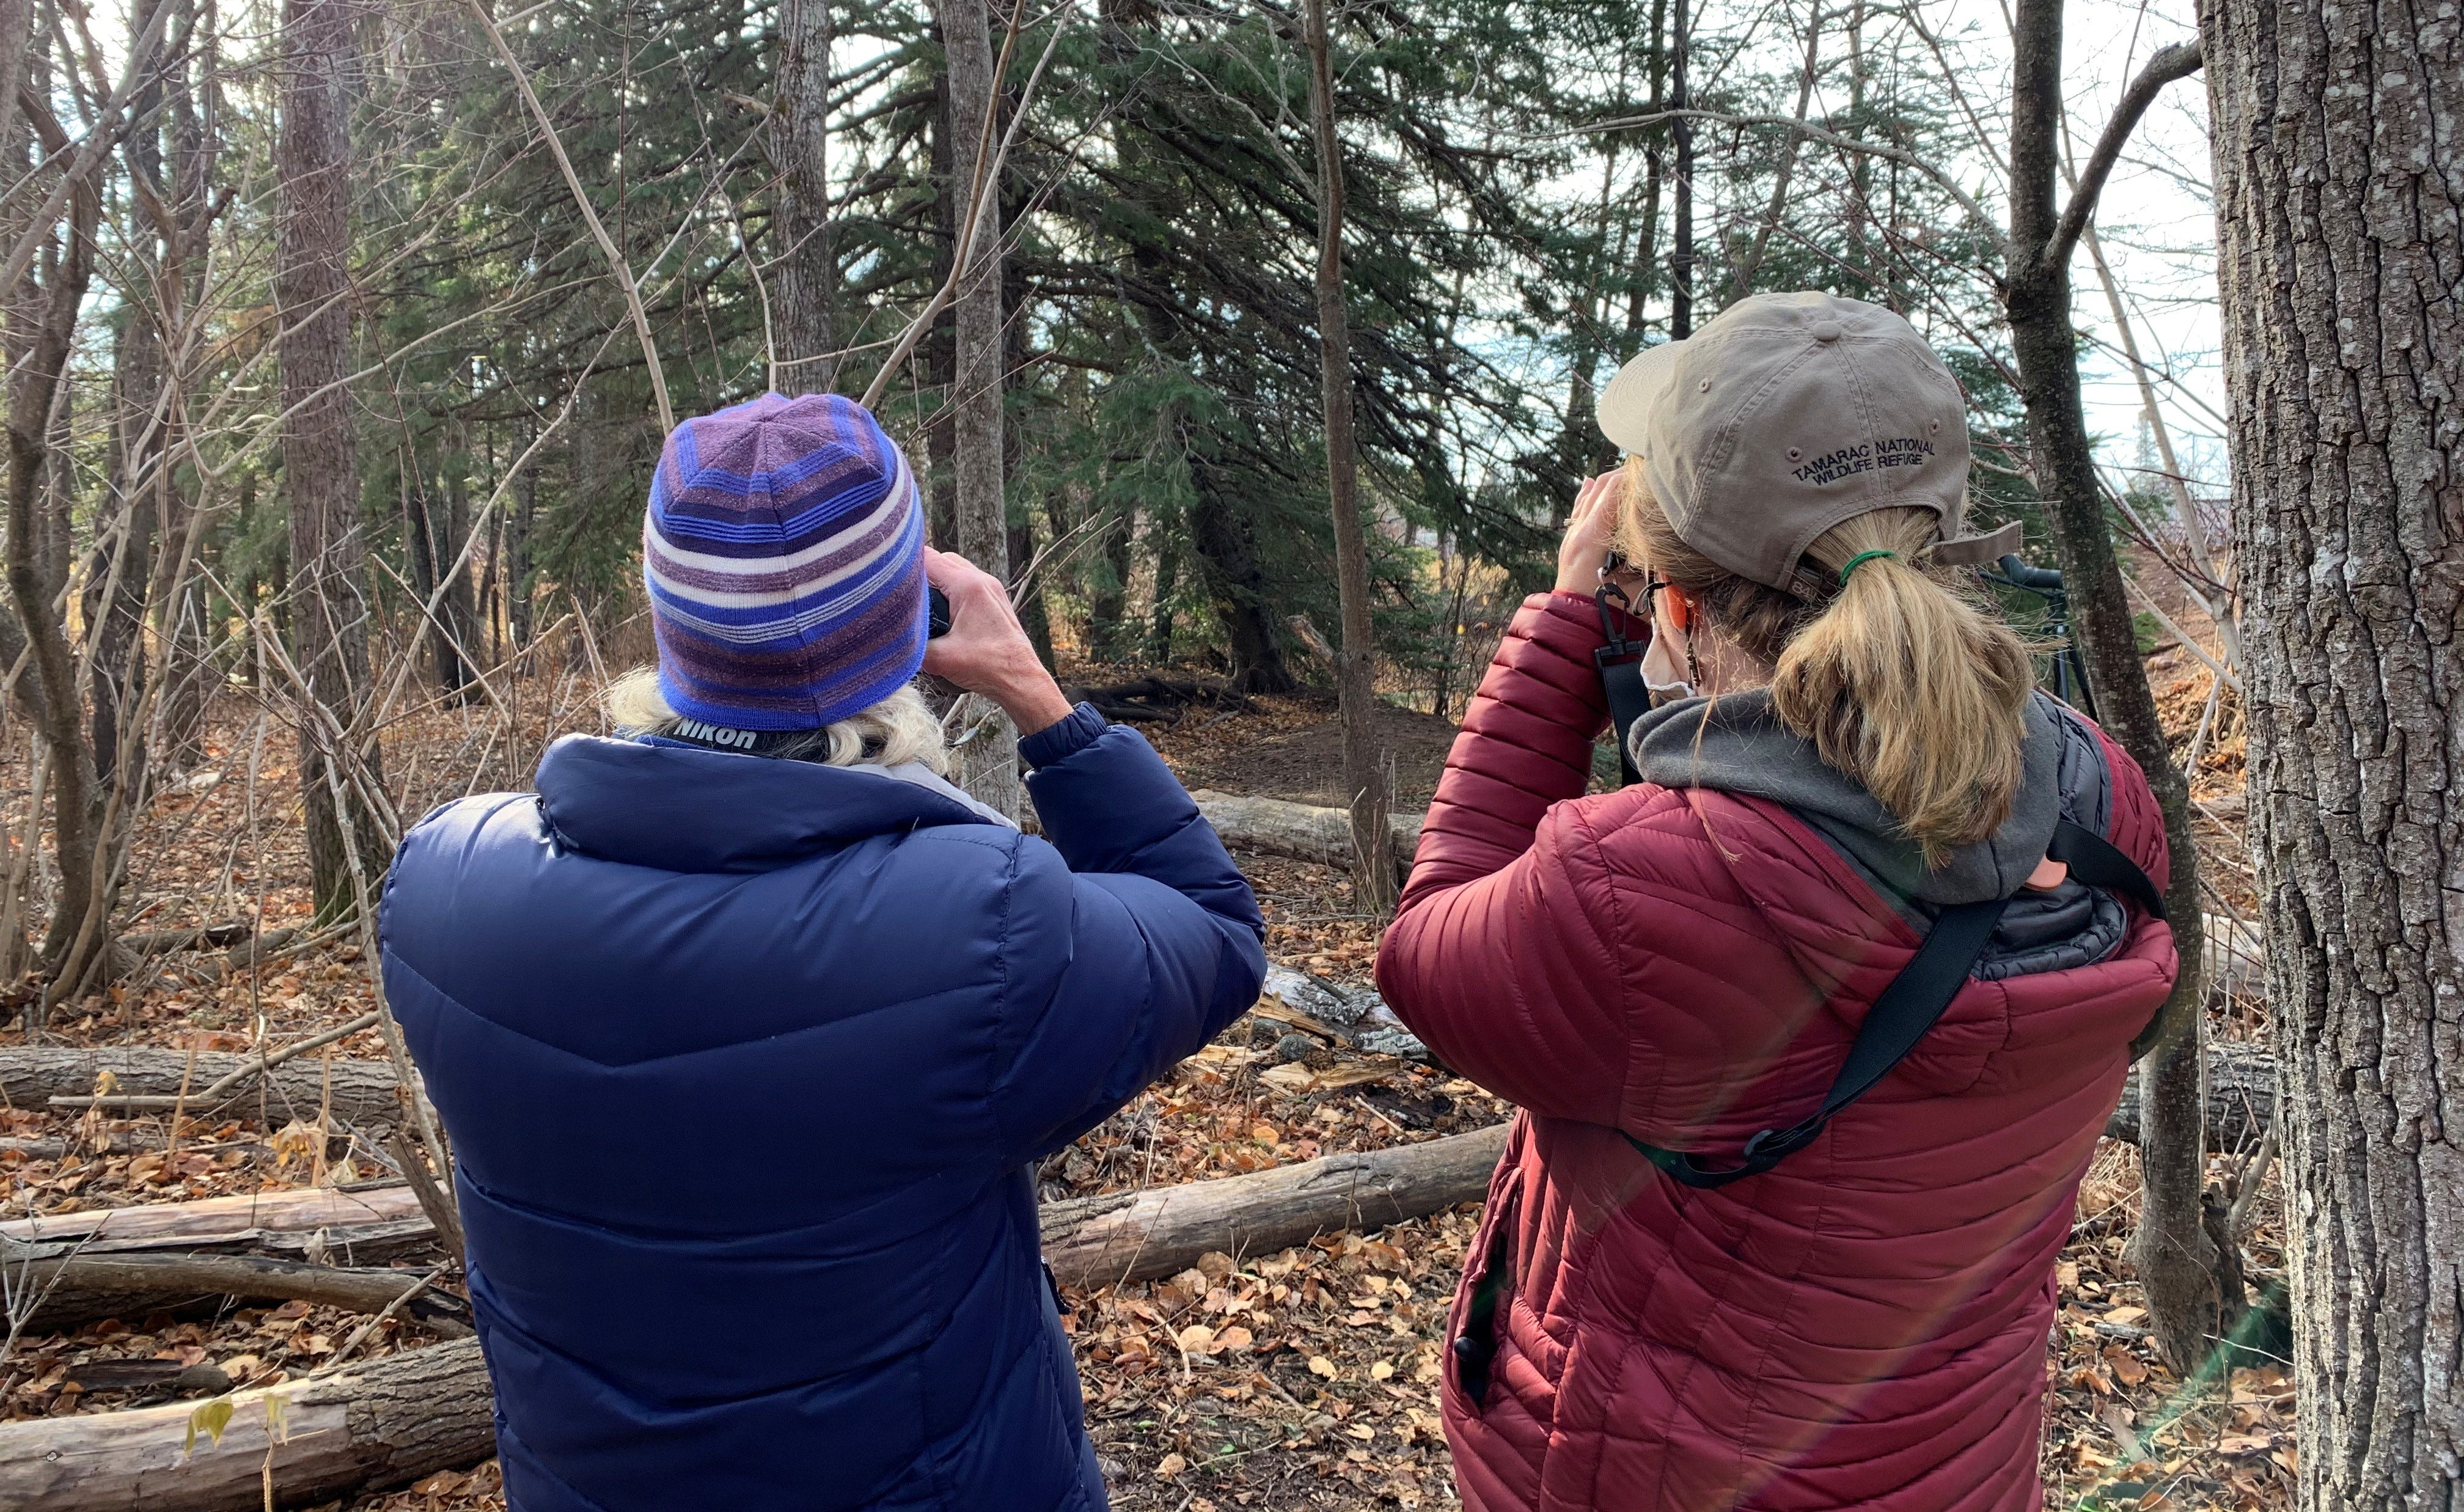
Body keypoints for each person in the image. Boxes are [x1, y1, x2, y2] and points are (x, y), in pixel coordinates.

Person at [381, 392, 1266, 1512]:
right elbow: (1215, 928)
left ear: (667, 617)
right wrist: (1042, 702)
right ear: (909, 618)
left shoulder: (445, 890)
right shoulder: (985, 930)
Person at [1376, 293, 2177, 1512]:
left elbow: (1428, 953)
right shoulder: (2093, 792)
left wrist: (1561, 627)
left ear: (1676, 606)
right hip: (1951, 1467)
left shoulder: (1636, 890)